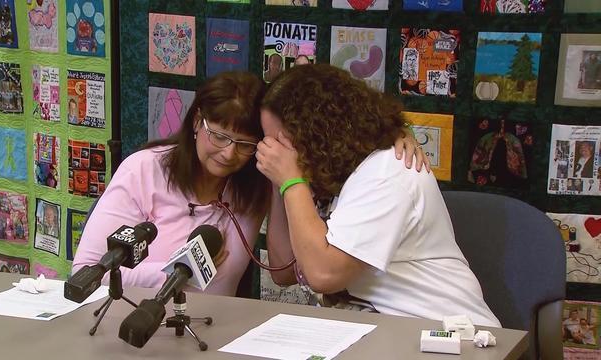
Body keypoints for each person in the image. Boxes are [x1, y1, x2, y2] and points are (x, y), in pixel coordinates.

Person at [72, 70, 426, 295]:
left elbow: (287, 272)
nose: (228, 154)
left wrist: (393, 131)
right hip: (133, 313)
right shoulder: (144, 171)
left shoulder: (257, 180)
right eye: (219, 136)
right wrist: (177, 274)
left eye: (245, 144)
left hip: (214, 328)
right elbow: (88, 272)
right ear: (198, 121)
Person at [256, 64, 500, 326]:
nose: (272, 152)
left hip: (442, 331)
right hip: (381, 327)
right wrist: (279, 180)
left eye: (279, 142)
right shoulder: (331, 175)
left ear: (317, 132)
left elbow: (323, 274)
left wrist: (291, 181)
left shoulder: (387, 172)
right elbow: (283, 270)